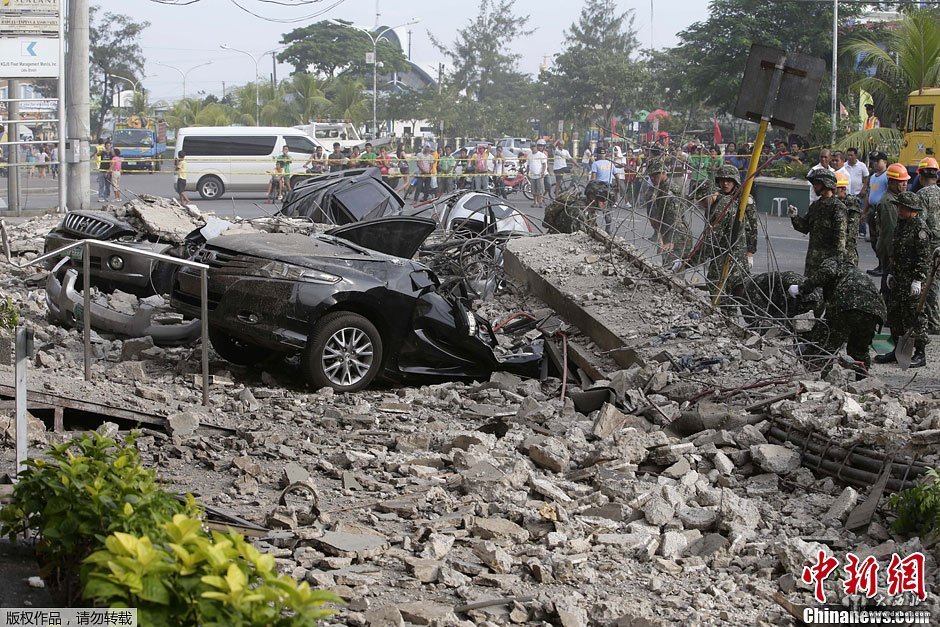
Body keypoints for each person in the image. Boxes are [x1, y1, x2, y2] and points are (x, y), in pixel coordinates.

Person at [790, 257, 886, 373]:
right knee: (859, 349)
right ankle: (863, 381)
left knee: (827, 345)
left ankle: (818, 378)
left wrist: (802, 288)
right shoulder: (856, 273)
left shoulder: (834, 263)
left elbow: (826, 273)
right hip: (874, 310)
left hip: (848, 305)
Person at [874, 192, 932, 368]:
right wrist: (891, 272)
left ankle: (920, 353)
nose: (899, 210)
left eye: (902, 207)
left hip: (912, 280)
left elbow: (924, 258)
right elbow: (895, 251)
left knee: (914, 317)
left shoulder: (920, 229)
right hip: (899, 278)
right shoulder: (901, 224)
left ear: (912, 210)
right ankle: (897, 350)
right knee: (896, 315)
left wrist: (918, 280)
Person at [686, 164, 756, 290]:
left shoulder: (745, 199)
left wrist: (750, 253)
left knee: (729, 286)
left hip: (735, 248)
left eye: (729, 180)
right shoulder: (716, 199)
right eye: (722, 180)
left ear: (735, 181)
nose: (725, 184)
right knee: (716, 285)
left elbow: (752, 227)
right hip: (719, 249)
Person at [788, 170, 848, 277]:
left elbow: (840, 239)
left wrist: (836, 264)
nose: (814, 186)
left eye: (817, 183)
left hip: (827, 264)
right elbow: (805, 227)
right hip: (812, 262)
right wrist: (794, 217)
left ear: (827, 184)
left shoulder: (837, 207)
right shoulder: (815, 206)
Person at [647, 160, 691, 267]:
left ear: (664, 173)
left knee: (672, 273)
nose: (652, 178)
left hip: (677, 237)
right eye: (650, 175)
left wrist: (671, 241)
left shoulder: (669, 191)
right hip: (668, 234)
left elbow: (675, 220)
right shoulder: (662, 187)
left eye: (655, 174)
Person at [873, 164, 911, 287]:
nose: (905, 184)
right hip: (889, 249)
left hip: (890, 248)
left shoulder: (896, 198)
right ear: (891, 182)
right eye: (901, 181)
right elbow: (891, 231)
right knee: (889, 284)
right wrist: (892, 255)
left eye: (905, 181)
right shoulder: (889, 203)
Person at [916, 157, 940, 333]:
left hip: (930, 245)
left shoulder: (922, 195)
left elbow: (921, 223)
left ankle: (934, 322)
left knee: (930, 284)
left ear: (920, 175)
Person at [865, 151, 889, 272]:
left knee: (881, 239)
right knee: (874, 239)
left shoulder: (887, 176)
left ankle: (884, 266)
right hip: (872, 210)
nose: (874, 163)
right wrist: (864, 211)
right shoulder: (873, 177)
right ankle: (880, 264)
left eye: (877, 161)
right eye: (873, 161)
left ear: (884, 162)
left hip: (881, 211)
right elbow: (870, 194)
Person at [835, 172, 861, 266]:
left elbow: (851, 232)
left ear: (843, 189)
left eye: (835, 189)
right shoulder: (833, 203)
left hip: (847, 251)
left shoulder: (851, 204)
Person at [528, 141, 549, 208]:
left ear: (536, 147)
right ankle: (535, 202)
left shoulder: (541, 155)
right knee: (533, 190)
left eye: (534, 146)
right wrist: (527, 172)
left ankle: (540, 202)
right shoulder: (529, 155)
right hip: (532, 175)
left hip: (539, 175)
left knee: (540, 190)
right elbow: (528, 165)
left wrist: (542, 172)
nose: (533, 148)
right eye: (532, 147)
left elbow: (544, 164)